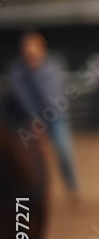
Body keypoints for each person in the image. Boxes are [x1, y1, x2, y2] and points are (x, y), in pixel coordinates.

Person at [6, 28, 80, 205]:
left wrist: (36, 70)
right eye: (26, 46)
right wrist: (34, 119)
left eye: (33, 46)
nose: (29, 50)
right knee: (25, 158)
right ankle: (28, 193)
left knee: (63, 152)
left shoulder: (51, 67)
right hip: (28, 119)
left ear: (42, 48)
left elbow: (51, 95)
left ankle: (72, 189)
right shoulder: (17, 70)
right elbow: (23, 97)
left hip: (54, 116)